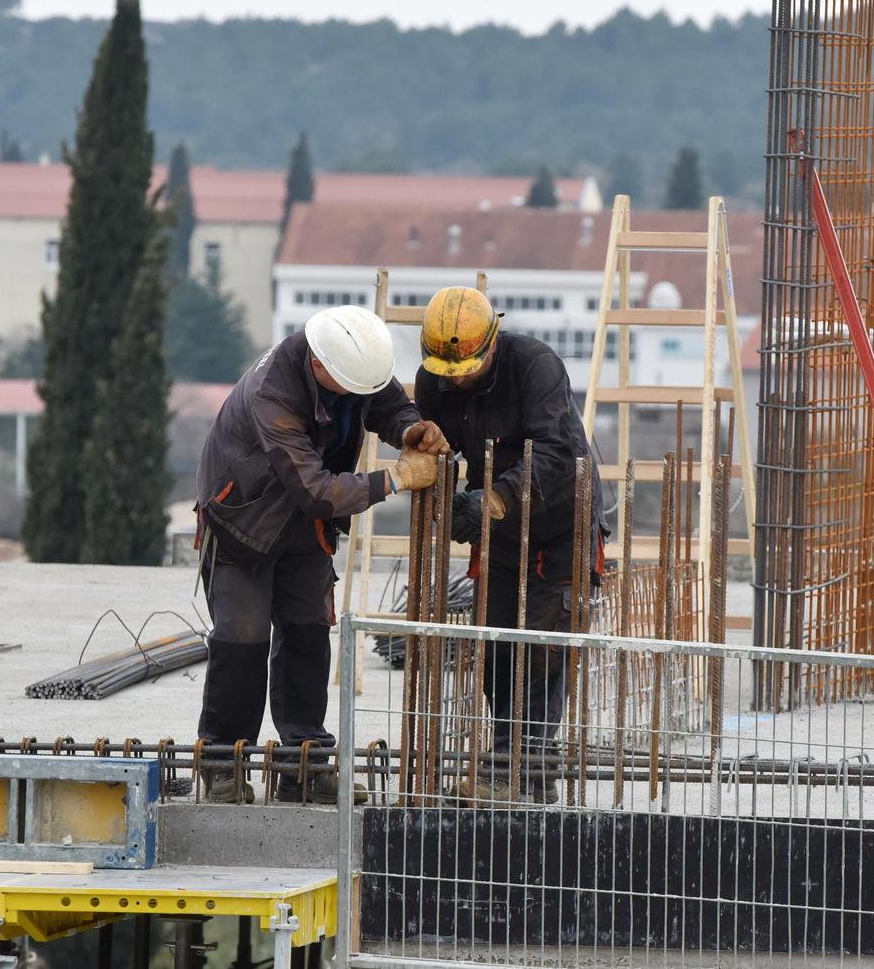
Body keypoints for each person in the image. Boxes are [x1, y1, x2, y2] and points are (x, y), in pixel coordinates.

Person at [194, 305, 449, 803]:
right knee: (241, 639)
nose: (360, 394)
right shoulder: (276, 393)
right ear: (318, 365)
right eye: (351, 386)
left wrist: (410, 429)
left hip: (303, 525)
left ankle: (303, 763)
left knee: (308, 632)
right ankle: (223, 761)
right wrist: (395, 478)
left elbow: (388, 404)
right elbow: (316, 489)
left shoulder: (354, 365)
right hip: (242, 519)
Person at [412, 286, 605, 804]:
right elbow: (441, 450)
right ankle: (513, 771)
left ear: (492, 344)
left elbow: (557, 453)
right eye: (448, 371)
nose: (457, 379)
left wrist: (491, 502)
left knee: (543, 646)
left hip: (564, 517)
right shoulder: (435, 379)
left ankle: (522, 771)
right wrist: (448, 499)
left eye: (467, 368)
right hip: (500, 526)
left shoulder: (535, 367)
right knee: (496, 644)